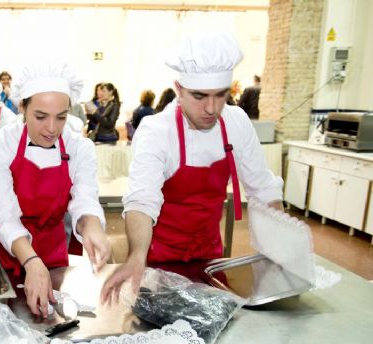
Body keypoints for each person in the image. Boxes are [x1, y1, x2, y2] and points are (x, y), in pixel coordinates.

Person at [101, 32, 283, 304]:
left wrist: (283, 247)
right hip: (158, 260)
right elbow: (142, 200)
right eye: (199, 96)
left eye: (220, 95)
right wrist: (136, 255)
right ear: (179, 89)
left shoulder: (236, 123)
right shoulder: (156, 130)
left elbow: (263, 189)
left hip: (210, 258)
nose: (211, 108)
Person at [0, 62, 111, 317]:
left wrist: (92, 225)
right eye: (40, 116)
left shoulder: (79, 148)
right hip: (1, 257)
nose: (52, 128)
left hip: (50, 256)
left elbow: (85, 199)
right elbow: (2, 214)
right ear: (22, 108)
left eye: (61, 117)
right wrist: (29, 260)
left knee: (52, 326)